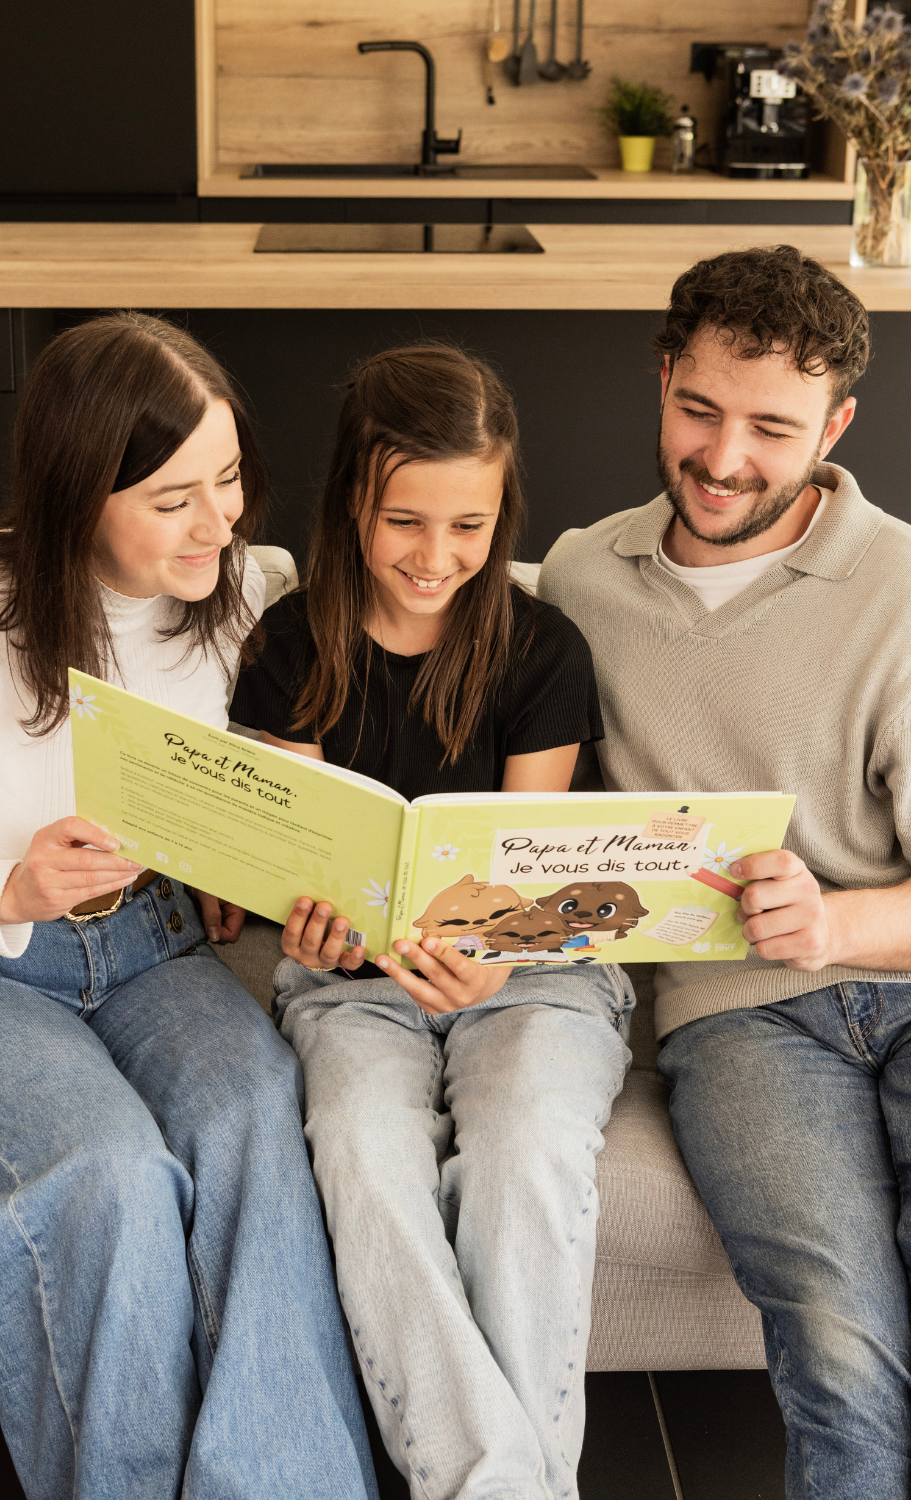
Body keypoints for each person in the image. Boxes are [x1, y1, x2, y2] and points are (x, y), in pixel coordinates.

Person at [0, 312, 378, 1500]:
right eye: (175, 498)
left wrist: (275, 873)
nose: (219, 522)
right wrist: (3, 884)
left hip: (154, 947)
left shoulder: (250, 589)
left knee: (257, 1117)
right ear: (79, 496)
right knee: (109, 1172)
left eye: (228, 479)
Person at [539, 243, 911, 1499]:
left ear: (836, 425)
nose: (722, 456)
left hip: (899, 972)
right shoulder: (584, 579)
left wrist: (840, 918)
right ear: (660, 381)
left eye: (770, 427)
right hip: (735, 1019)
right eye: (697, 408)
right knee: (835, 1329)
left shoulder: (903, 587)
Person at [231, 345, 635, 1500]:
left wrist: (488, 960)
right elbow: (294, 856)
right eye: (404, 521)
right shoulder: (290, 645)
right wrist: (307, 922)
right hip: (351, 976)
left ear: (504, 510)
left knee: (523, 1151)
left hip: (528, 972)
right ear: (349, 502)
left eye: (470, 526)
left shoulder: (541, 647)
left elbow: (520, 859)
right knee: (362, 1155)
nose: (436, 559)